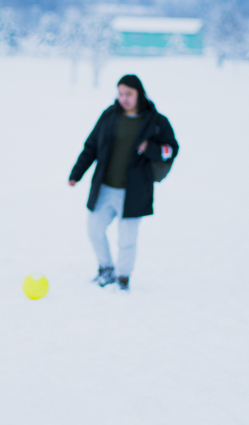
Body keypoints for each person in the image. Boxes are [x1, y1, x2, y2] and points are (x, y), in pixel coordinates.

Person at [68, 74, 178, 291]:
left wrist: (151, 149)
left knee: (127, 239)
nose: (124, 99)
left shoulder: (156, 121)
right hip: (105, 187)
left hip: (135, 191)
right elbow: (91, 146)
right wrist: (76, 173)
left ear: (139, 94)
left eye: (129, 93)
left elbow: (172, 150)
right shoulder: (109, 116)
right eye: (120, 94)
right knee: (94, 229)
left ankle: (123, 277)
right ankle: (106, 268)